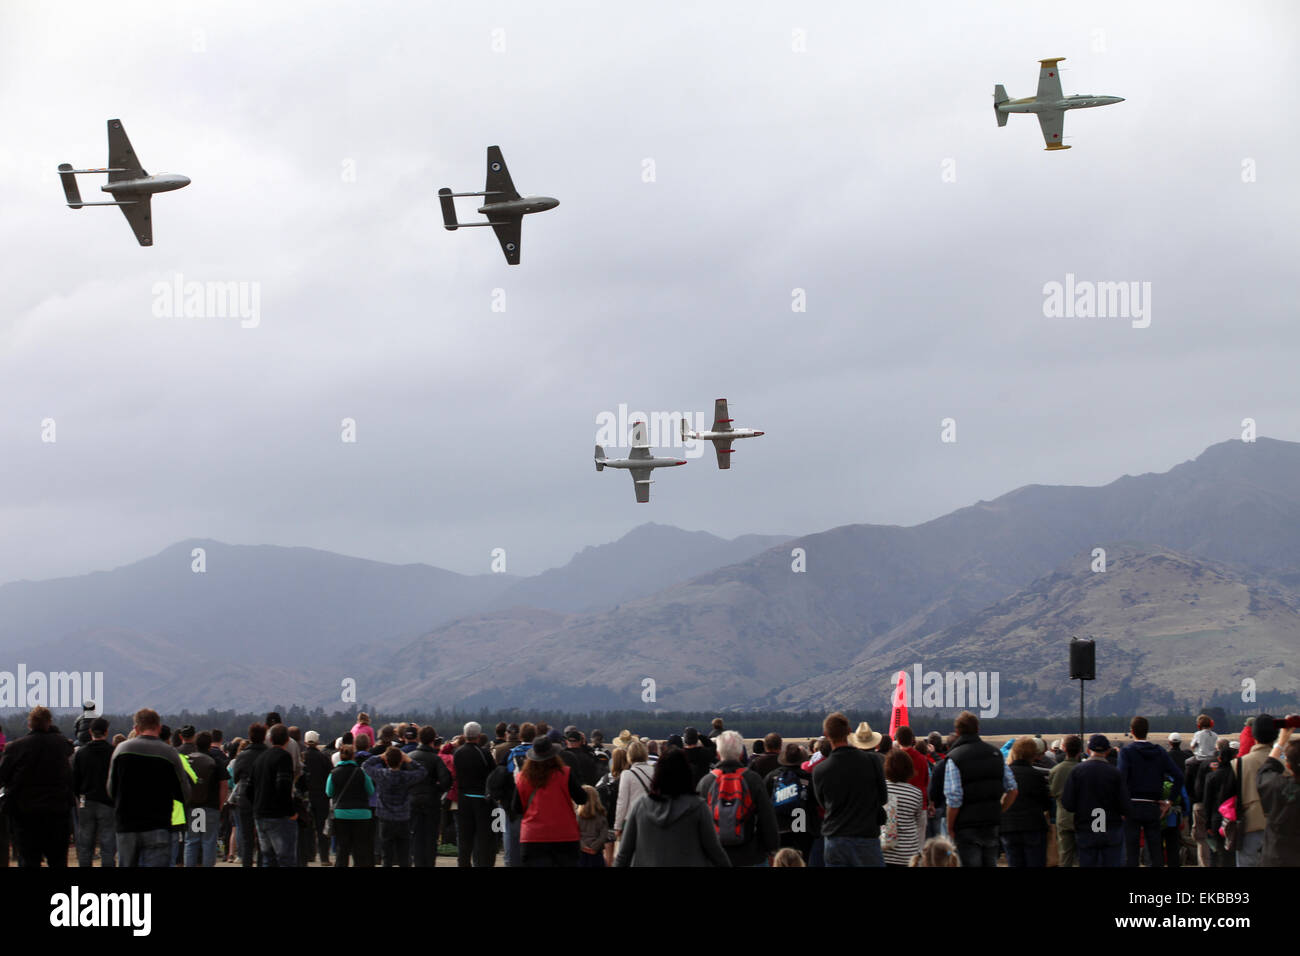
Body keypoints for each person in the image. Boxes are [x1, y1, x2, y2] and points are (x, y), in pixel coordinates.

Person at [614, 748, 730, 867]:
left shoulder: (640, 806)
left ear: (658, 774)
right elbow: (715, 851)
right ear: (686, 773)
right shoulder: (698, 807)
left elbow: (624, 854)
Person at [107, 708, 192, 867]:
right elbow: (184, 793)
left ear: (136, 728)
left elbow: (111, 789)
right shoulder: (169, 753)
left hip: (126, 824)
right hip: (158, 824)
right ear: (159, 728)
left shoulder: (121, 750)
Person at [0, 706, 76, 867]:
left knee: (29, 859)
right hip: (57, 812)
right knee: (58, 860)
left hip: (25, 814)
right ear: (49, 723)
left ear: (29, 724)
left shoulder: (15, 748)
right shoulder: (62, 746)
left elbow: (3, 777)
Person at [811, 712, 888, 867]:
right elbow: (883, 797)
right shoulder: (872, 761)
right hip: (867, 836)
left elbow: (823, 804)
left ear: (826, 734)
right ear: (849, 731)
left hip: (835, 837)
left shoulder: (820, 770)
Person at [944, 711, 1017, 867]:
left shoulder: (955, 758)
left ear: (957, 732)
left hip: (965, 825)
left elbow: (954, 798)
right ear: (978, 729)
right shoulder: (997, 754)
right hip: (991, 821)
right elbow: (1013, 789)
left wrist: (950, 826)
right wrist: (1001, 809)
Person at [697, 730, 778, 866]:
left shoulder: (705, 783)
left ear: (717, 753)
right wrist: (771, 848)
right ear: (741, 753)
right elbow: (767, 818)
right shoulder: (753, 780)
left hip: (715, 857)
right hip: (750, 855)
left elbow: (699, 824)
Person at [1116, 716, 1184, 868]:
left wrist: (1120, 804)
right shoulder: (1159, 751)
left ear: (1132, 731)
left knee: (1131, 852)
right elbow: (1179, 776)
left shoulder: (1126, 752)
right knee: (1155, 852)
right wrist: (1169, 801)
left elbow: (1120, 779)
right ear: (1147, 731)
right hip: (1153, 806)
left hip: (1131, 805)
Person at [511, 736, 588, 866]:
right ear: (554, 755)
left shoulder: (522, 778)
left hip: (533, 837)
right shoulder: (565, 774)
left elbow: (516, 808)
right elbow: (582, 798)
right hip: (565, 835)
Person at [1061, 735, 1131, 867]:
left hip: (1086, 827)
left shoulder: (1077, 771)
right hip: (1110, 828)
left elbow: (1068, 804)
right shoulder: (1115, 773)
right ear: (1108, 751)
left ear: (1088, 750)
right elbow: (1125, 805)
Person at [363, 745, 427, 866]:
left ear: (386, 760)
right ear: (401, 760)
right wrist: (409, 760)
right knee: (404, 854)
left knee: (387, 856)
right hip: (403, 818)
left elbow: (365, 765)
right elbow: (423, 771)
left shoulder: (381, 775)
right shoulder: (406, 776)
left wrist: (379, 757)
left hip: (385, 819)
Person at [249, 723, 297, 866]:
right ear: (287, 740)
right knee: (285, 858)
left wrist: (257, 805)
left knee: (267, 858)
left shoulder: (260, 759)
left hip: (260, 814)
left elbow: (248, 789)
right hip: (278, 815)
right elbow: (283, 786)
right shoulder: (284, 757)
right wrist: (291, 811)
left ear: (270, 739)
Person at [1234, 713, 1278, 867]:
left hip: (1249, 827)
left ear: (1254, 735)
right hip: (1279, 829)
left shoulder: (1238, 764)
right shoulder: (1285, 765)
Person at [73, 716, 116, 867]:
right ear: (106, 732)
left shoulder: (81, 753)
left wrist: (80, 796)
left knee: (85, 844)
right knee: (108, 843)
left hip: (86, 801)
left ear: (90, 732)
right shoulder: (113, 752)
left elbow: (75, 781)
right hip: (107, 802)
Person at [1000, 737, 1051, 866]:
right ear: (1033, 755)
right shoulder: (1037, 776)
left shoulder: (1004, 775)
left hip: (1009, 826)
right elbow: (1046, 803)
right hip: (1033, 827)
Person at [407, 725, 452, 867]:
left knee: (416, 835)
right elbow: (446, 781)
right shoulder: (435, 759)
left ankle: (418, 862)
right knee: (431, 837)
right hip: (431, 802)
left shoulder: (410, 758)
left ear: (419, 738)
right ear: (433, 739)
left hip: (413, 800)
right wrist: (435, 789)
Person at [453, 722, 497, 867]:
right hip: (481, 799)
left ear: (464, 735)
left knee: (465, 838)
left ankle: (463, 863)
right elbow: (492, 774)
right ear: (479, 736)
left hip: (463, 799)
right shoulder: (484, 753)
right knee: (484, 838)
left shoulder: (458, 753)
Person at [765, 742, 816, 863]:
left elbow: (764, 803)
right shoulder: (808, 778)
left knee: (779, 861)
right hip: (802, 826)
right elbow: (815, 802)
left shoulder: (772, 777)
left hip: (779, 826)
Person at [326, 744, 376, 866]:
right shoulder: (361, 772)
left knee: (342, 849)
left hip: (341, 814)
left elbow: (329, 792)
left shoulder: (334, 773)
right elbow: (371, 791)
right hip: (362, 814)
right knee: (360, 850)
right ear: (353, 756)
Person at [1258, 724, 1299, 866]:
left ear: (1287, 765)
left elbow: (1267, 768)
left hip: (1277, 858)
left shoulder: (1277, 785)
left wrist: (1281, 741)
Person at [229, 725, 267, 866]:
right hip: (263, 798)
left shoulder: (243, 755)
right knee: (263, 837)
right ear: (264, 737)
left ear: (250, 736)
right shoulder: (268, 753)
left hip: (244, 797)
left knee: (247, 838)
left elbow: (236, 778)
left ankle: (246, 862)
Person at [182, 731, 221, 866]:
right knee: (208, 841)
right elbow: (223, 784)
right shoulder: (215, 761)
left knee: (192, 841)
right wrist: (220, 806)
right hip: (210, 806)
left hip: (192, 806)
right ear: (210, 744)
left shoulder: (187, 760)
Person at [882, 748, 926, 867]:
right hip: (908, 854)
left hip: (884, 850)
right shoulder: (916, 793)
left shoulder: (881, 789)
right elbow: (918, 821)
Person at [1047, 735, 1082, 867]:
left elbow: (1053, 792)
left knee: (1065, 855)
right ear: (1080, 750)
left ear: (1064, 749)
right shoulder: (1083, 769)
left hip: (1063, 817)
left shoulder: (1056, 770)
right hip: (1082, 817)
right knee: (1083, 854)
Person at [300, 731, 333, 864]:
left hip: (306, 796)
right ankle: (324, 857)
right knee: (321, 828)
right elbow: (330, 775)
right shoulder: (324, 757)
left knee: (307, 827)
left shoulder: (302, 757)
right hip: (321, 796)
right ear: (317, 742)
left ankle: (309, 855)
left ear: (306, 741)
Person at [614, 740, 654, 844]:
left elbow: (622, 802)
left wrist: (618, 825)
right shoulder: (655, 771)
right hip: (652, 819)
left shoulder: (627, 774)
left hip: (632, 820)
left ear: (629, 755)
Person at [577, 784, 610, 867]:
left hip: (581, 852)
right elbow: (604, 834)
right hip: (596, 852)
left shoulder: (577, 815)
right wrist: (594, 847)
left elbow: (574, 833)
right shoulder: (601, 814)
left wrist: (583, 846)